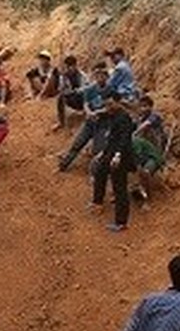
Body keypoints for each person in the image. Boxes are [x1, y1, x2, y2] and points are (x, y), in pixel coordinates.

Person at [92, 94, 137, 232]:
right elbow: (112, 137)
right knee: (99, 172)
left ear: (118, 102)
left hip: (120, 157)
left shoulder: (124, 118)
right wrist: (104, 153)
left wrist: (118, 155)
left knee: (119, 188)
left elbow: (125, 139)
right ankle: (97, 202)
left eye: (110, 104)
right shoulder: (113, 114)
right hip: (110, 153)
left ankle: (121, 222)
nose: (108, 107)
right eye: (106, 104)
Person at [57, 63, 110, 171]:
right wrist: (89, 112)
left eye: (102, 75)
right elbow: (85, 103)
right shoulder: (91, 88)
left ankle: (98, 172)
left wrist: (97, 113)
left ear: (106, 76)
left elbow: (110, 108)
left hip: (103, 123)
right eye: (97, 75)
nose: (99, 78)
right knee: (77, 143)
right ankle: (63, 165)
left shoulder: (110, 90)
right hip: (90, 121)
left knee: (98, 150)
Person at [54, 55, 87, 131]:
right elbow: (60, 89)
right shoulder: (64, 76)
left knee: (85, 95)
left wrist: (77, 91)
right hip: (71, 98)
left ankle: (86, 116)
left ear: (75, 65)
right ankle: (61, 122)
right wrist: (63, 85)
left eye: (70, 66)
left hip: (81, 98)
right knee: (60, 98)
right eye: (67, 67)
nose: (68, 69)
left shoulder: (82, 75)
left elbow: (86, 88)